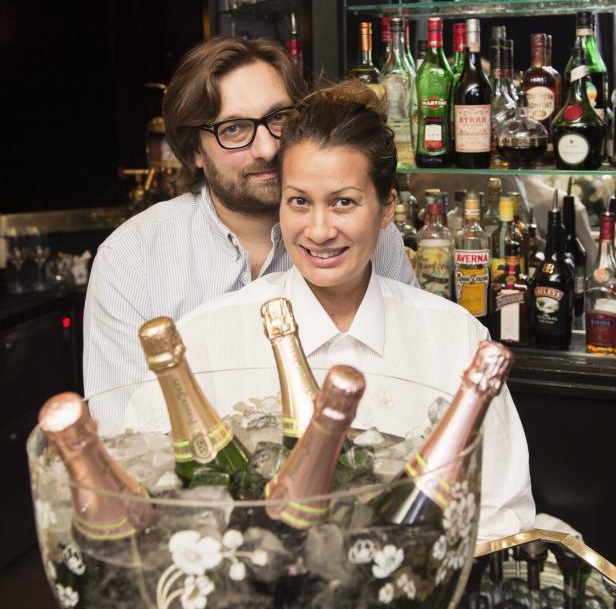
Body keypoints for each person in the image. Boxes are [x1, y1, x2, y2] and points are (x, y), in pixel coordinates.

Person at [124, 80, 535, 542]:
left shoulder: (455, 339)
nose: (319, 231)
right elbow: (149, 509)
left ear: (386, 209)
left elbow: (501, 517)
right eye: (299, 201)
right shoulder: (206, 337)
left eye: (343, 202)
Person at [83, 37, 417, 434]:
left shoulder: (367, 237)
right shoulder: (131, 259)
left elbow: (409, 380)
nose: (268, 147)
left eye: (279, 118)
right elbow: (124, 437)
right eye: (234, 129)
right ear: (194, 151)